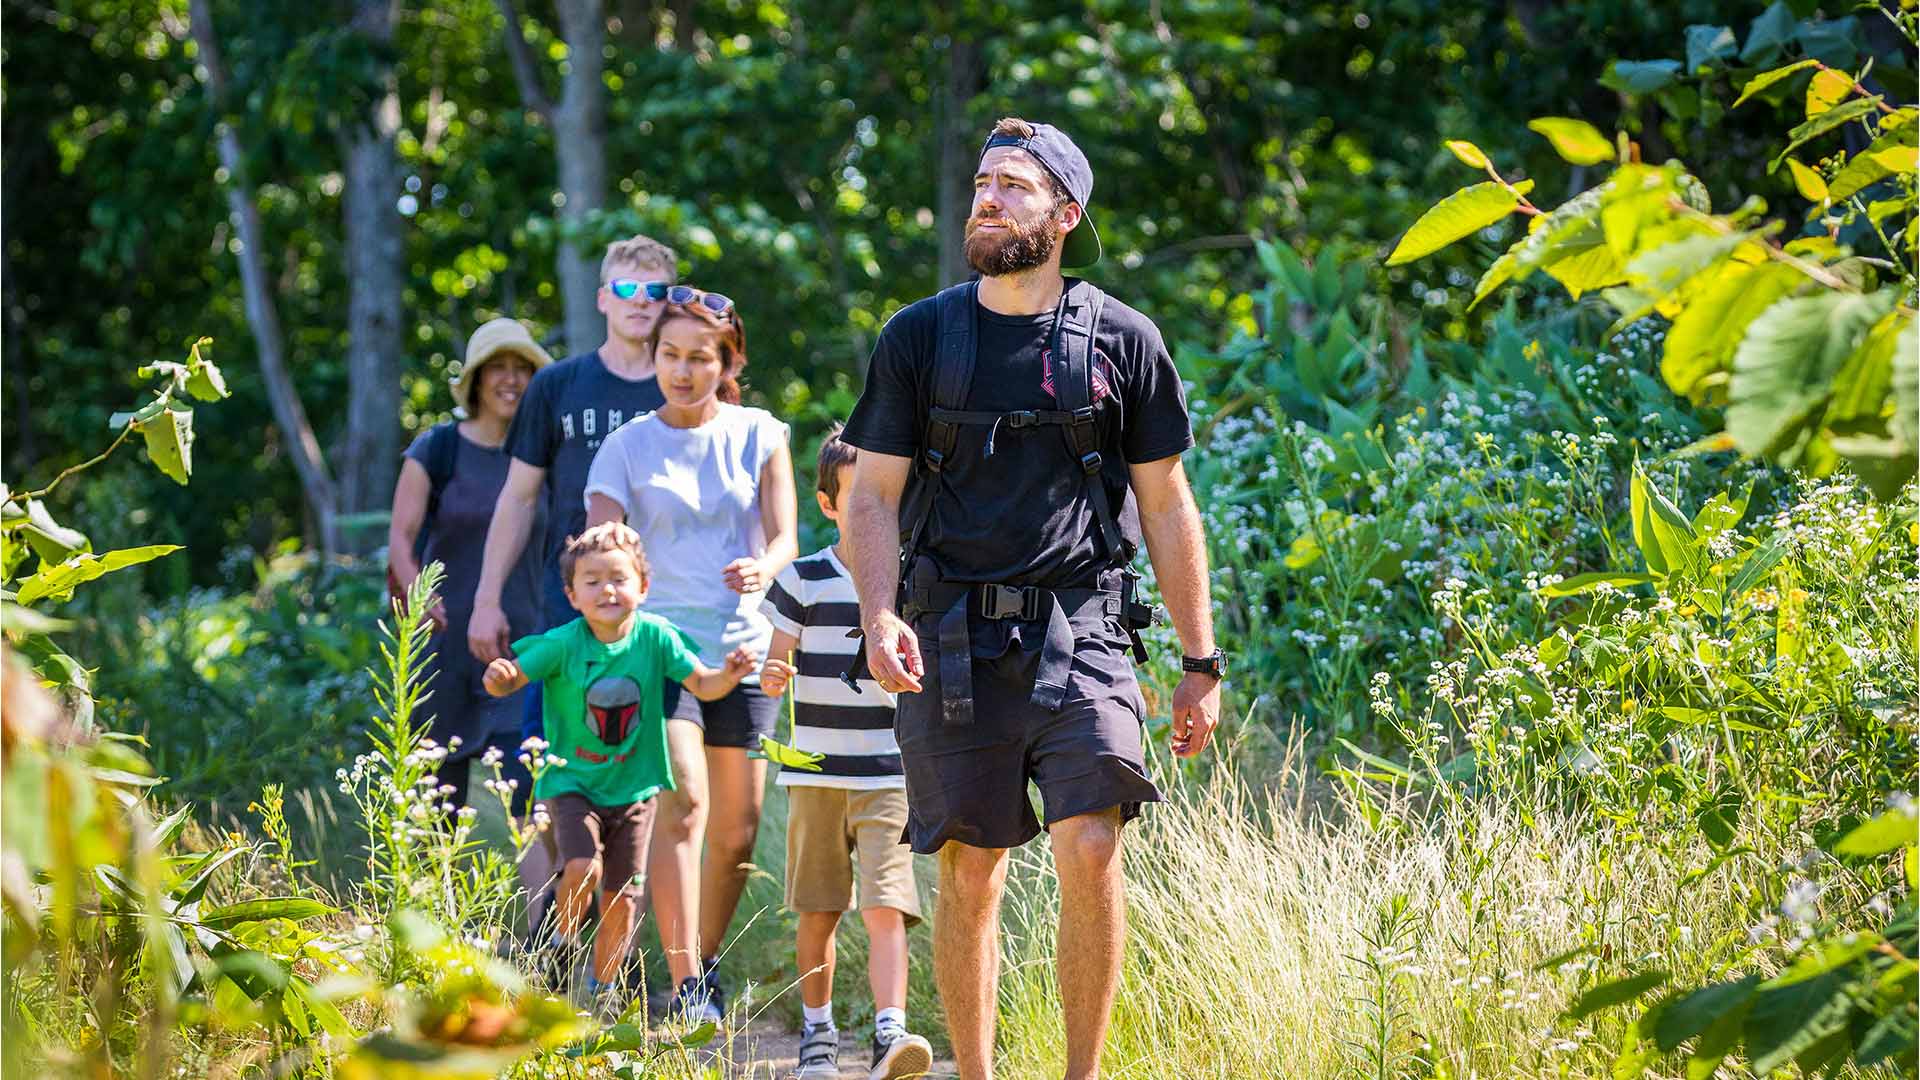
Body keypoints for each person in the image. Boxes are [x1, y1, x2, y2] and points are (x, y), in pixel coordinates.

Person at [840, 118, 1224, 1080]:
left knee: (1091, 842)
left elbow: (1168, 506)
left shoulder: (1123, 340)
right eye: (980, 181)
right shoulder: (919, 338)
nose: (987, 197)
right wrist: (878, 613)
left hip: (1084, 625)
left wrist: (1198, 661)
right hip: (948, 635)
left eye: (1013, 184)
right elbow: (871, 495)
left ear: (1066, 212)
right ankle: (977, 1074)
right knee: (972, 868)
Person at [583, 291, 798, 1023]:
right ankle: (682, 986)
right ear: (653, 360)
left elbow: (785, 539)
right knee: (685, 810)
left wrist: (764, 570)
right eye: (669, 355)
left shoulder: (761, 432)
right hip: (660, 650)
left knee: (739, 827)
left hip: (744, 646)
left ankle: (702, 965)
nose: (682, 369)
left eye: (699, 357)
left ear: (727, 361)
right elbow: (600, 548)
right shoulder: (625, 447)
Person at [467, 234, 679, 933]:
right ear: (602, 298)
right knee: (550, 779)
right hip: (561, 620)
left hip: (657, 625)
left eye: (654, 291)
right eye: (626, 288)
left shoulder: (681, 378)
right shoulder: (558, 385)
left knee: (646, 795)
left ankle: (630, 963)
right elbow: (519, 498)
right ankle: (550, 938)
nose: (640, 302)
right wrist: (488, 596)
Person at [481, 522, 759, 1021]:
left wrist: (730, 674)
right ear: (571, 595)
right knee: (582, 869)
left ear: (643, 587)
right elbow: (513, 677)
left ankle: (600, 994)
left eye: (618, 578)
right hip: (573, 784)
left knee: (623, 901)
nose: (607, 589)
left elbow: (704, 684)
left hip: (634, 790)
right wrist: (500, 678)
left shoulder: (657, 638)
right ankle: (562, 940)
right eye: (592, 581)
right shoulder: (563, 643)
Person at [758, 426, 933, 1080]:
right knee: (819, 907)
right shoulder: (802, 580)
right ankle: (818, 1034)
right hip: (814, 776)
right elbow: (777, 666)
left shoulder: (910, 580)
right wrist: (774, 675)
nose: (871, 510)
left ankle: (891, 1033)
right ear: (829, 505)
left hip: (891, 774)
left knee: (888, 904)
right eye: (855, 496)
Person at [386, 317, 552, 811]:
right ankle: (438, 892)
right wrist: (419, 594)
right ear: (476, 379)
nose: (510, 379)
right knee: (437, 801)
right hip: (442, 644)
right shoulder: (438, 448)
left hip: (524, 641)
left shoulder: (544, 453)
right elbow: (400, 536)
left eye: (521, 368)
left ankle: (544, 892)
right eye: (497, 367)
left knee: (527, 791)